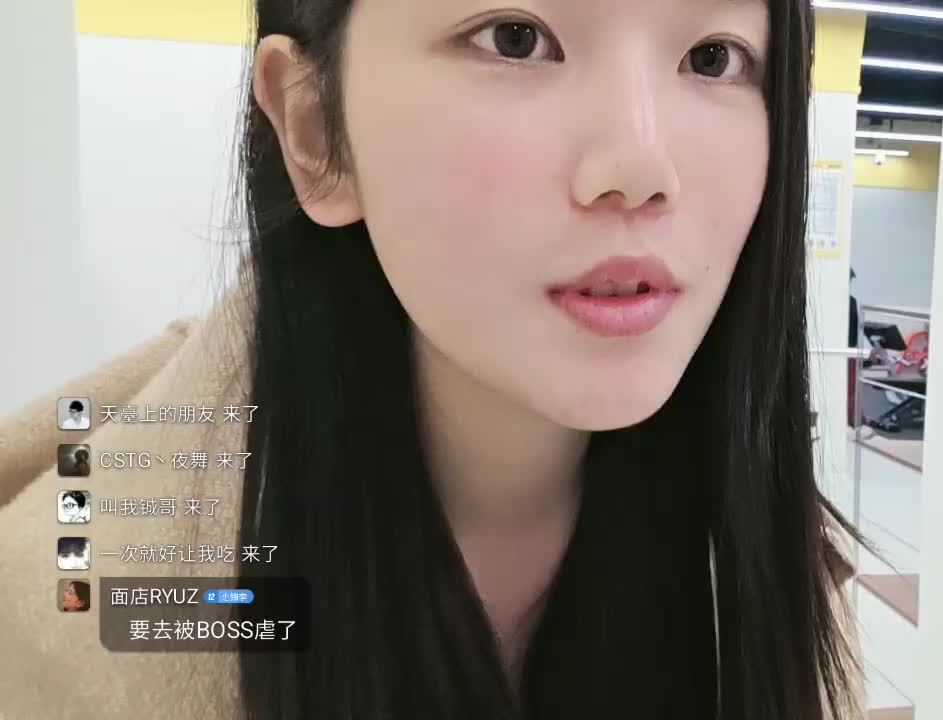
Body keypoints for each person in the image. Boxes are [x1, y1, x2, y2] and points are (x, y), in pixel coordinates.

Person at [0, 0, 864, 718]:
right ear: (313, 128)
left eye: (713, 58)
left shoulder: (773, 568)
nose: (641, 166)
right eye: (516, 39)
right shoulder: (68, 629)